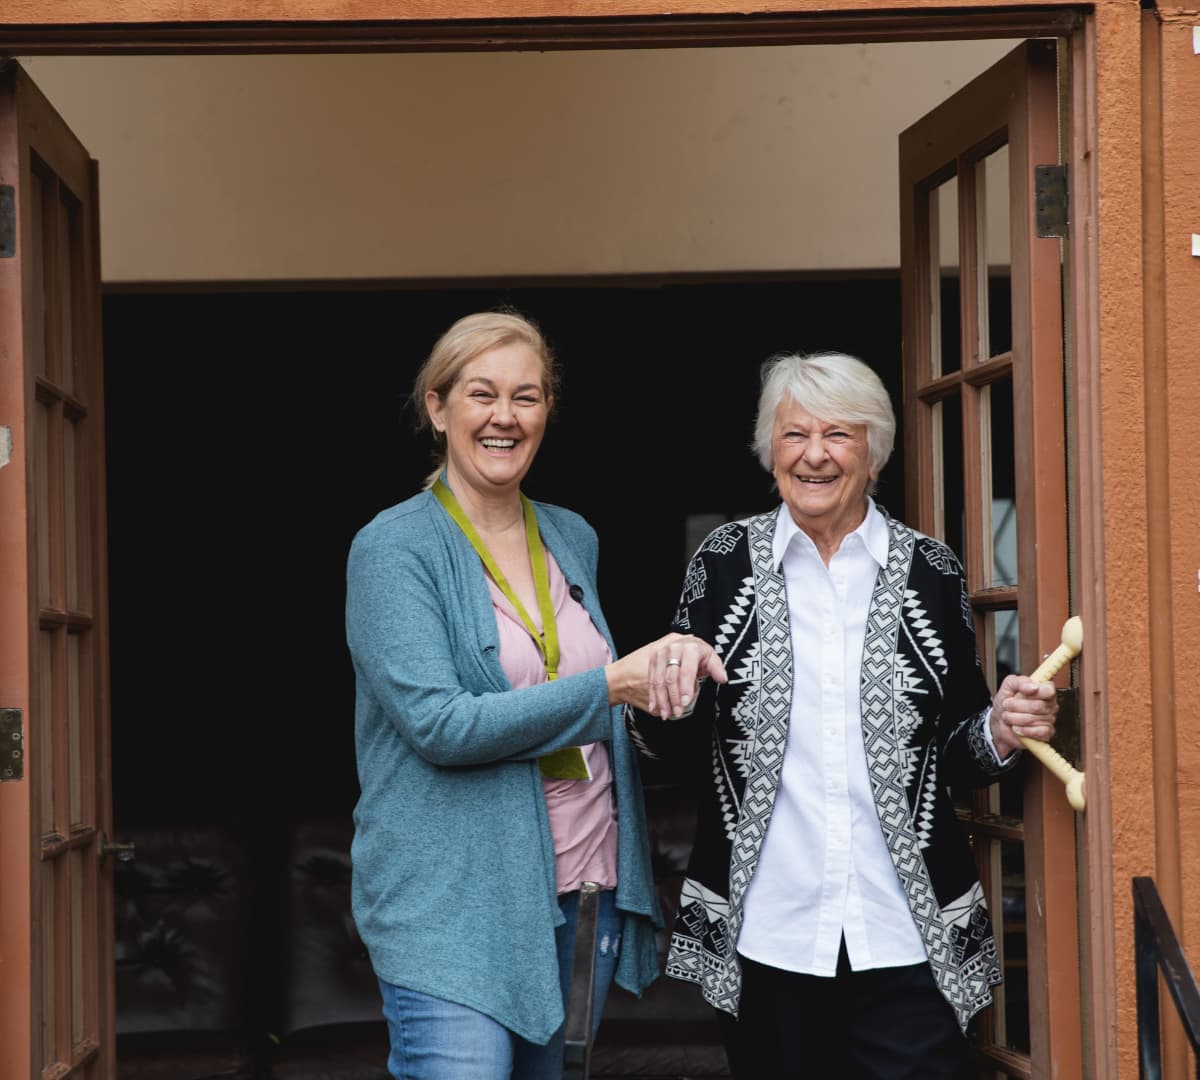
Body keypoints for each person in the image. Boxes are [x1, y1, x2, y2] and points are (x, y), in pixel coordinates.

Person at [627, 351, 1059, 1079]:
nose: (815, 455)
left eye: (839, 435)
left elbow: (955, 748)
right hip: (769, 933)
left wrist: (1001, 728)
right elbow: (673, 745)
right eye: (794, 435)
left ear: (874, 452)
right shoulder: (724, 562)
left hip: (903, 931)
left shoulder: (930, 569)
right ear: (771, 453)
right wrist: (660, 697)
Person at [345, 310, 725, 1080]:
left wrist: (662, 681)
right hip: (452, 907)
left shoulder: (570, 533)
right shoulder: (393, 548)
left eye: (527, 397)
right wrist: (612, 684)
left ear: (548, 411)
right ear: (437, 407)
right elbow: (439, 725)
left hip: (582, 892)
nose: (504, 417)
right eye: (482, 394)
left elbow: (592, 697)